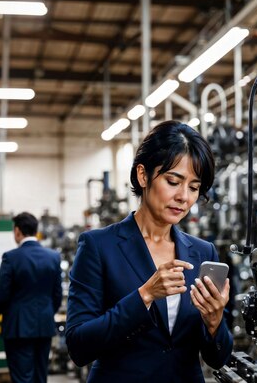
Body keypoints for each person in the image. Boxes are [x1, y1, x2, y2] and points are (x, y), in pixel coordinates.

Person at [66, 120, 233, 382]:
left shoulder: (203, 253)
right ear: (143, 175)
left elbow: (217, 359)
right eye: (173, 181)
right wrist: (144, 295)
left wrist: (214, 323)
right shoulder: (99, 246)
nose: (184, 197)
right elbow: (78, 346)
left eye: (193, 187)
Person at [0, 212, 62, 383]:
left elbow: (2, 295)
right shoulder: (53, 257)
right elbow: (56, 294)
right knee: (40, 376)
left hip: (18, 327)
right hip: (44, 325)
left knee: (22, 377)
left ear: (17, 231)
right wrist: (47, 311)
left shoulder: (11, 258)